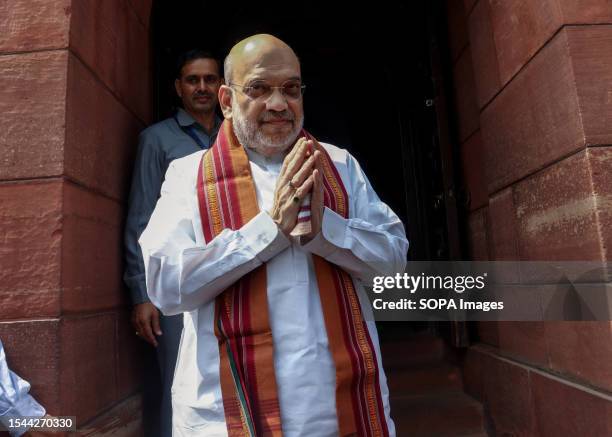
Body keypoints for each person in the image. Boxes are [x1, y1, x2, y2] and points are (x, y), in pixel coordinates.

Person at [139, 34, 408, 436]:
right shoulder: (188, 174)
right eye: (259, 89)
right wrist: (270, 230)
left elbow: (393, 263)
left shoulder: (339, 164)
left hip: (339, 412)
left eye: (291, 89)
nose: (279, 104)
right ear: (227, 101)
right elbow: (166, 287)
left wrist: (326, 231)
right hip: (228, 415)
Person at [123, 49, 223, 437]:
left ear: (222, 87)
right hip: (176, 284)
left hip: (235, 271)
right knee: (180, 383)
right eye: (193, 80)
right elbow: (140, 219)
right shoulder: (157, 139)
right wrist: (141, 294)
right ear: (178, 87)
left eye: (210, 79)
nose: (202, 87)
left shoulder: (236, 136)